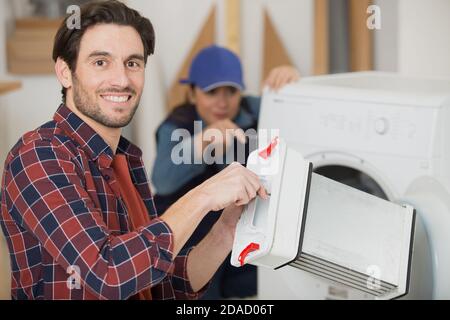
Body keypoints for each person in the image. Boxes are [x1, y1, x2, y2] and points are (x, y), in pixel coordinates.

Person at [0, 0, 268, 300]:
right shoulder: (39, 156)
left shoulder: (128, 161)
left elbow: (159, 286)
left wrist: (226, 231)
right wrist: (204, 196)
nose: (122, 80)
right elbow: (109, 275)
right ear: (65, 72)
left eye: (133, 63)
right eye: (101, 62)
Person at [152, 45, 299, 299]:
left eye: (230, 91)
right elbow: (162, 180)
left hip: (242, 229)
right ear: (192, 93)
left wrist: (292, 82)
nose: (222, 102)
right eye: (211, 92)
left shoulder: (255, 109)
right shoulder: (176, 125)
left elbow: (297, 111)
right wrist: (202, 143)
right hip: (193, 238)